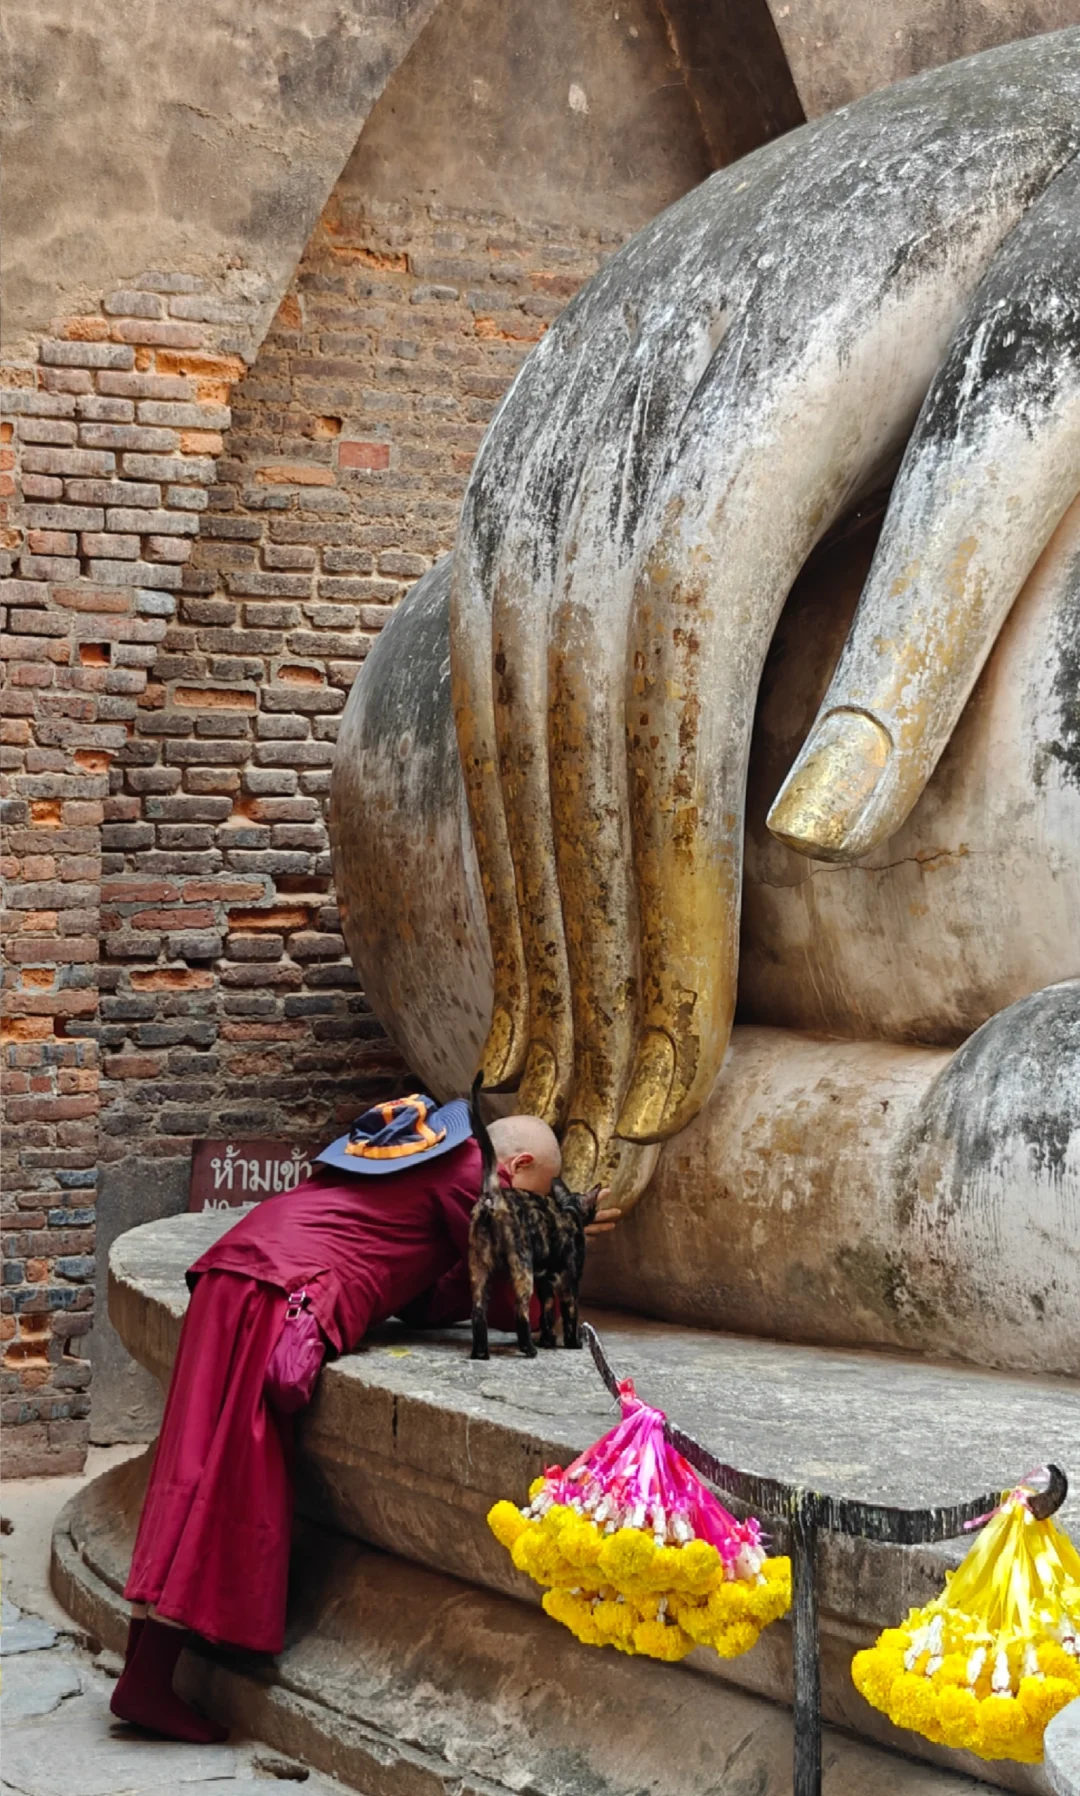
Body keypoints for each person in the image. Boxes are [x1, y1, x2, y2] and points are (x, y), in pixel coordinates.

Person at [109, 1092, 616, 1742]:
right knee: (228, 1482)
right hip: (276, 1292)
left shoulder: (436, 1142)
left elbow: (432, 1297)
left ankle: (144, 1674)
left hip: (240, 1274)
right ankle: (148, 1683)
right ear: (513, 1169)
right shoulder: (471, 1170)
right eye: (536, 1194)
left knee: (191, 1471)